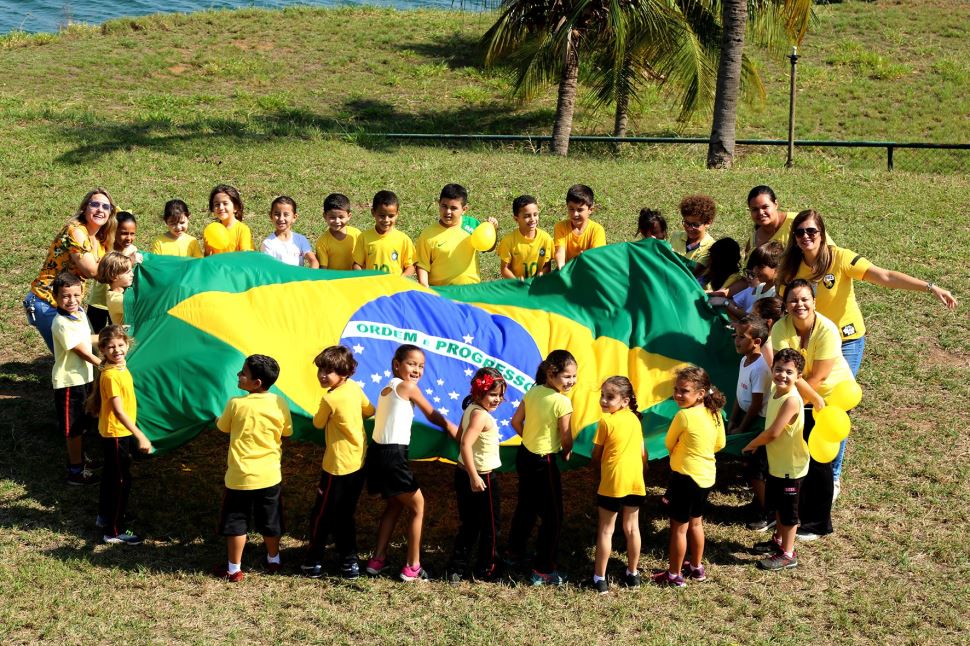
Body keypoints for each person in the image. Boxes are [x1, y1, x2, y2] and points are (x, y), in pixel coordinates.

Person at [775, 210, 957, 488]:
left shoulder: (841, 257)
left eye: (811, 231)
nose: (806, 237)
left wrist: (930, 287)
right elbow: (785, 308)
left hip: (845, 341)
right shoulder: (790, 268)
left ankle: (832, 476)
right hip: (809, 343)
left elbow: (884, 276)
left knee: (835, 403)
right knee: (808, 397)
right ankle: (804, 467)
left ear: (822, 233)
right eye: (799, 232)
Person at [763, 279, 855, 540]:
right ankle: (790, 518)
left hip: (830, 397)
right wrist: (793, 400)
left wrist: (793, 404)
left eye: (805, 299)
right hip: (801, 395)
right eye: (793, 300)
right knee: (797, 456)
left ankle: (817, 523)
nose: (799, 304)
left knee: (818, 459)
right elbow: (787, 369)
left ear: (814, 302)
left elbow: (820, 377)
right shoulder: (781, 328)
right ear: (785, 304)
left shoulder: (827, 330)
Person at [364, 345, 458, 582]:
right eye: (412, 364)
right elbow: (431, 414)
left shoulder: (387, 388)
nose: (417, 369)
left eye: (421, 366)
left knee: (395, 505)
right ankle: (412, 567)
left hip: (377, 453)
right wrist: (452, 429)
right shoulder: (407, 387)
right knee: (418, 507)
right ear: (397, 364)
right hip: (393, 455)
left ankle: (377, 560)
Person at [214, 354, 293, 582]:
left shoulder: (236, 404)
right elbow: (287, 431)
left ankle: (234, 569)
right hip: (269, 476)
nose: (239, 375)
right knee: (270, 519)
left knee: (237, 522)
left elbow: (222, 427)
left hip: (239, 477)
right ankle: (274, 559)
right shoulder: (280, 402)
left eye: (243, 373)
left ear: (256, 383)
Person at [742, 348, 822, 570]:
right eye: (778, 370)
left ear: (798, 377)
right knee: (777, 505)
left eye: (789, 372)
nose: (782, 375)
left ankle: (788, 554)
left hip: (791, 467)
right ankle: (778, 540)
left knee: (789, 514)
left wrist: (752, 444)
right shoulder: (774, 388)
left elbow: (774, 433)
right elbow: (767, 348)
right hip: (778, 463)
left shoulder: (792, 401)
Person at [301, 346, 374, 579]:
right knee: (345, 514)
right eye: (321, 369)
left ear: (344, 372)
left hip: (336, 466)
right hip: (358, 461)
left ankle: (313, 559)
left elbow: (318, 424)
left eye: (329, 371)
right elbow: (369, 410)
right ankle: (348, 560)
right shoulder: (354, 388)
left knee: (322, 514)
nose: (322, 375)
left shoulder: (329, 399)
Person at [506, 349, 576, 586]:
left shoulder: (533, 390)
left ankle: (513, 554)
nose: (571, 381)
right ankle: (543, 570)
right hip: (543, 462)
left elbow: (515, 422)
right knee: (553, 516)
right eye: (567, 376)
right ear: (551, 373)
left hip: (525, 456)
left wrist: (531, 440)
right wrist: (566, 451)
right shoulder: (562, 402)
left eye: (574, 376)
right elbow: (566, 436)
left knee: (526, 506)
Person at [653, 366, 726, 587]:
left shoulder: (683, 416)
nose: (677, 395)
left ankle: (674, 574)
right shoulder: (715, 413)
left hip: (685, 478)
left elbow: (668, 443)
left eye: (684, 391)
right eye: (676, 389)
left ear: (701, 393)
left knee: (679, 528)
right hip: (706, 478)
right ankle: (696, 566)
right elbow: (720, 444)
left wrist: (680, 450)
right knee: (696, 523)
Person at [25, 188, 117, 351]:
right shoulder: (75, 231)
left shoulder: (100, 239)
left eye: (105, 207)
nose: (100, 210)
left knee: (89, 352)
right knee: (73, 358)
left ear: (110, 212)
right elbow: (92, 271)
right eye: (94, 204)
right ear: (84, 208)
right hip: (47, 301)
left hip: (70, 301)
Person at [86, 325, 153, 544]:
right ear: (103, 350)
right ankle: (113, 531)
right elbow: (118, 410)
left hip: (116, 432)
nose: (117, 350)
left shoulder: (118, 368)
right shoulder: (111, 376)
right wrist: (140, 435)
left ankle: (106, 516)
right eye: (111, 347)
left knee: (111, 477)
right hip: (117, 434)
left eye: (121, 345)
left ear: (127, 345)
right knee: (120, 481)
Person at [445, 367, 507, 583]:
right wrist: (474, 476)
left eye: (500, 395)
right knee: (491, 526)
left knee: (469, 524)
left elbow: (460, 435)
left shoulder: (471, 408)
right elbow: (464, 443)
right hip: (481, 477)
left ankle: (457, 567)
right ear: (479, 392)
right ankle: (487, 569)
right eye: (492, 394)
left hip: (463, 473)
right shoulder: (481, 416)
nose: (497, 399)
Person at [589, 376, 646, 594]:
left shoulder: (605, 422)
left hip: (613, 481)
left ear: (625, 400)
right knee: (632, 528)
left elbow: (596, 455)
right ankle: (633, 573)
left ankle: (599, 578)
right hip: (635, 480)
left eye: (609, 397)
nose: (603, 400)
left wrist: (595, 470)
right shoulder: (635, 419)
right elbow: (643, 453)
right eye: (602, 395)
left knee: (606, 530)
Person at [50, 272, 101, 486]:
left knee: (84, 421)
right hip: (70, 382)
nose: (72, 300)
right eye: (65, 296)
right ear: (56, 298)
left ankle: (80, 458)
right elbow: (80, 350)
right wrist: (103, 364)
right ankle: (75, 471)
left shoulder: (79, 313)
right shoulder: (61, 322)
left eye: (76, 295)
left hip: (85, 378)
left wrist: (112, 336)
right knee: (74, 428)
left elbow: (87, 339)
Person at [727, 315, 773, 531]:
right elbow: (739, 393)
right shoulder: (743, 361)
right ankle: (760, 502)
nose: (736, 340)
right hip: (744, 421)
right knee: (749, 467)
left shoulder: (761, 368)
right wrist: (733, 420)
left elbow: (755, 405)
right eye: (736, 336)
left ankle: (768, 512)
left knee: (757, 470)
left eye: (742, 337)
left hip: (757, 424)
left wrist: (742, 428)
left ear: (757, 342)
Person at [416, 183, 498, 286]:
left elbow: (488, 248)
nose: (448, 212)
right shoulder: (428, 234)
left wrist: (493, 230)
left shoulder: (472, 225)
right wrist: (424, 286)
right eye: (444, 206)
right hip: (442, 294)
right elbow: (422, 265)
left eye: (453, 208)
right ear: (439, 204)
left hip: (470, 291)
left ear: (464, 210)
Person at [88, 211, 141, 332]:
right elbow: (104, 271)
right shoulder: (105, 248)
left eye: (132, 234)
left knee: (118, 333)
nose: (129, 238)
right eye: (124, 233)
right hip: (99, 302)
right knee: (95, 334)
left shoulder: (133, 249)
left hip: (119, 302)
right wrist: (130, 261)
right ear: (113, 231)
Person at [352, 190, 417, 276]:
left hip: (394, 287)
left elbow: (411, 266)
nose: (386, 220)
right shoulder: (364, 237)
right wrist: (363, 278)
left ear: (397, 214)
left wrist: (401, 279)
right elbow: (356, 264)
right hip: (373, 287)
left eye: (391, 216)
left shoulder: (403, 239)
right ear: (373, 212)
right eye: (382, 215)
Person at [720, 241, 782, 321]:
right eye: (754, 266)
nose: (755, 270)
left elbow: (754, 321)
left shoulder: (777, 293)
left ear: (777, 268)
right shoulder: (760, 287)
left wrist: (725, 303)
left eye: (760, 267)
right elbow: (749, 315)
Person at [497, 195, 554, 280]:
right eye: (527, 216)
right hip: (516, 288)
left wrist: (540, 275)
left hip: (538, 287)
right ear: (516, 219)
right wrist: (516, 282)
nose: (532, 219)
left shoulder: (546, 239)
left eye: (535, 214)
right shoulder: (508, 241)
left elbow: (547, 266)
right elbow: (504, 269)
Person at [553, 184, 606, 268]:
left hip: (588, 271)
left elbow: (596, 257)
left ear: (590, 210)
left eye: (580, 210)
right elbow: (560, 252)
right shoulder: (560, 227)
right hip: (566, 271)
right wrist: (562, 270)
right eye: (571, 209)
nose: (575, 214)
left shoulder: (597, 230)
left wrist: (584, 260)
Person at [261, 196, 318, 267]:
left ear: (294, 217)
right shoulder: (268, 243)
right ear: (271, 216)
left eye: (286, 215)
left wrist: (311, 276)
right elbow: (268, 269)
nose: (281, 218)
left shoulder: (301, 239)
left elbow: (313, 261)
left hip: (300, 278)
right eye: (277, 214)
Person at [669, 195, 716, 274]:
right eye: (687, 223)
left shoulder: (711, 247)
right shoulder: (675, 236)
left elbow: (693, 273)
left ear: (708, 223)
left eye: (696, 225)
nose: (690, 228)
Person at [204, 184, 253, 255]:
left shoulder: (242, 230)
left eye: (225, 203)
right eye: (217, 204)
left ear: (235, 207)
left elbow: (247, 256)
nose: (221, 207)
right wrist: (207, 251)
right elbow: (208, 259)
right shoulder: (212, 231)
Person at [315, 193, 360, 270]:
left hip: (354, 279)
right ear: (325, 216)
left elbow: (362, 261)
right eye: (332, 217)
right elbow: (323, 269)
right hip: (333, 280)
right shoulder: (322, 242)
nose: (337, 221)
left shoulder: (356, 234)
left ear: (349, 216)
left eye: (341, 217)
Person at [94, 252, 134, 326]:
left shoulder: (125, 291)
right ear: (114, 276)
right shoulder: (115, 299)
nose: (132, 274)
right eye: (128, 272)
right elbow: (140, 305)